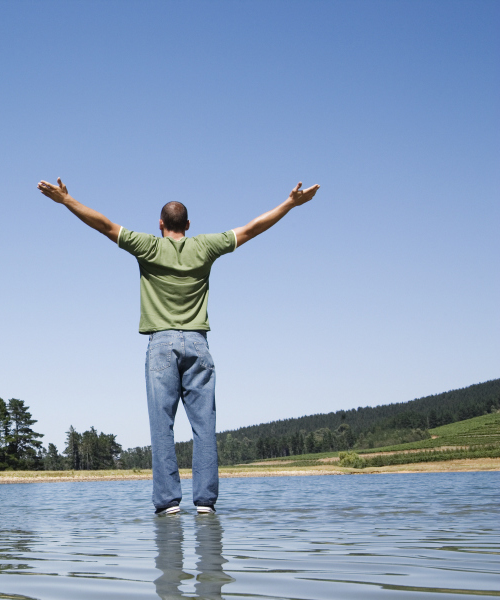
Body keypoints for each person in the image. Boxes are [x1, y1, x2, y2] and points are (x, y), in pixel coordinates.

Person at [37, 178, 319, 514]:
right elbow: (252, 229)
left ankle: (169, 504)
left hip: (161, 345)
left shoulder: (148, 246)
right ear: (187, 225)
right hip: (198, 344)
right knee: (204, 428)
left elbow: (104, 225)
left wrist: (66, 200)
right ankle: (205, 505)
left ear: (160, 225)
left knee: (162, 428)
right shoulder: (205, 246)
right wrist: (289, 204)